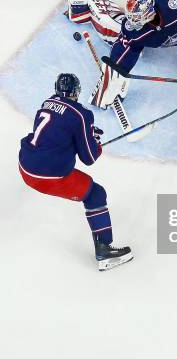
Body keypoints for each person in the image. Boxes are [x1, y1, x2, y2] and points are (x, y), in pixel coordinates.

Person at [18, 73, 133, 270]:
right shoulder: (82, 114)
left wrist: (84, 132)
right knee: (96, 194)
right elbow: (88, 158)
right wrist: (94, 141)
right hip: (48, 176)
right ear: (76, 92)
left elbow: (56, 130)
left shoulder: (46, 103)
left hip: (25, 165)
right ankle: (104, 251)